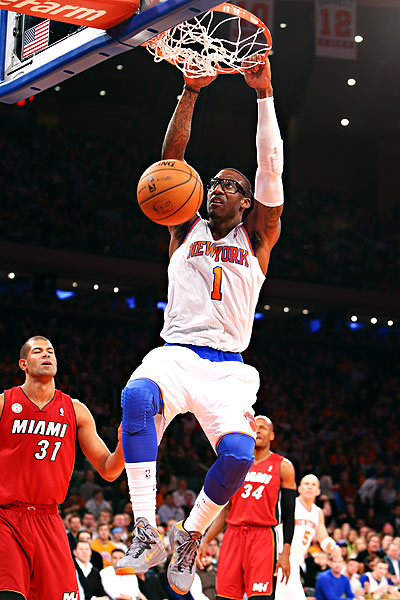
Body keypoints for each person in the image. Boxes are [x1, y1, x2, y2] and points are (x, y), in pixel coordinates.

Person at [117, 54, 285, 595]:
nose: (217, 188)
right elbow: (170, 163)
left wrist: (263, 96)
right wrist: (190, 91)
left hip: (228, 368)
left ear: (247, 202)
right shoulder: (183, 227)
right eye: (213, 182)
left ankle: (189, 536)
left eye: (230, 185)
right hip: (176, 353)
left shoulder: (257, 237)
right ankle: (146, 528)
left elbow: (271, 170)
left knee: (237, 454)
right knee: (136, 396)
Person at [0, 335, 125, 600]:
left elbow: (108, 469)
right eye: (38, 351)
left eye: (51, 351)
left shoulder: (75, 410)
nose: (46, 354)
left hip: (49, 519)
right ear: (23, 364)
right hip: (6, 518)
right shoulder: (4, 403)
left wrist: (126, 445)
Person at [197, 416, 296, 600]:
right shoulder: (236, 464)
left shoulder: (283, 466)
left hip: (263, 537)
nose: (257, 430)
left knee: (260, 597)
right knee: (225, 597)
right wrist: (206, 540)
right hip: (233, 535)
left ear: (272, 435)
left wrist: (286, 553)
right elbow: (225, 511)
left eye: (263, 428)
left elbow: (289, 514)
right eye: (254, 427)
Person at [275, 474, 341, 600]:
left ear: (318, 491)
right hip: (280, 557)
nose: (310, 487)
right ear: (299, 489)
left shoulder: (317, 512)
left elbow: (323, 538)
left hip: (296, 561)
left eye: (313, 485)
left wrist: (331, 546)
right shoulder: (289, 504)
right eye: (306, 484)